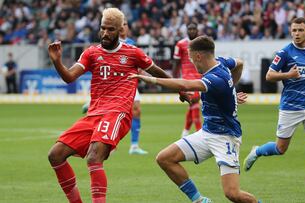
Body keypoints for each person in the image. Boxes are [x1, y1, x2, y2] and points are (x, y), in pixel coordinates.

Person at [47, 8, 189, 203]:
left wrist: (180, 90)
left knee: (94, 157)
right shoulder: (91, 53)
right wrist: (57, 62)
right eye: (103, 28)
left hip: (118, 113)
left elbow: (158, 72)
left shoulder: (133, 53)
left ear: (120, 30)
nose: (105, 33)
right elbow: (69, 77)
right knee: (55, 155)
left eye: (111, 29)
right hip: (94, 114)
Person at [129, 36, 259, 203]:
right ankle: (199, 200)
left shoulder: (214, 79)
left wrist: (150, 79)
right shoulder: (223, 62)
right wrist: (231, 90)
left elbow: (186, 85)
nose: (192, 63)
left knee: (232, 194)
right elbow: (240, 62)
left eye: (191, 59)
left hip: (226, 137)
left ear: (198, 56)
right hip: (207, 133)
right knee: (164, 158)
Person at [243, 17, 305, 194]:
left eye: (300, 30)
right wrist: (288, 75)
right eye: (294, 30)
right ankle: (257, 151)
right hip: (290, 108)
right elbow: (269, 76)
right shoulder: (285, 52)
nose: (297, 34)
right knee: (280, 149)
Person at [81, 18, 148, 155]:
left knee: (136, 110)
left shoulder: (131, 44)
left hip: (128, 83)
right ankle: (106, 143)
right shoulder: (107, 42)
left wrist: (141, 72)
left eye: (126, 24)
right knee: (111, 113)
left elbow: (139, 65)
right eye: (122, 24)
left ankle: (134, 145)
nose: (124, 26)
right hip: (111, 86)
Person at [173, 22, 202, 137]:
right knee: (194, 100)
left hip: (199, 77)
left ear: (197, 30)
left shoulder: (201, 43)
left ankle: (185, 133)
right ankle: (199, 131)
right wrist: (174, 80)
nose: (192, 31)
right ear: (187, 30)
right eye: (190, 29)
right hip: (187, 79)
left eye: (194, 29)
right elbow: (176, 62)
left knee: (192, 104)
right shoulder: (180, 44)